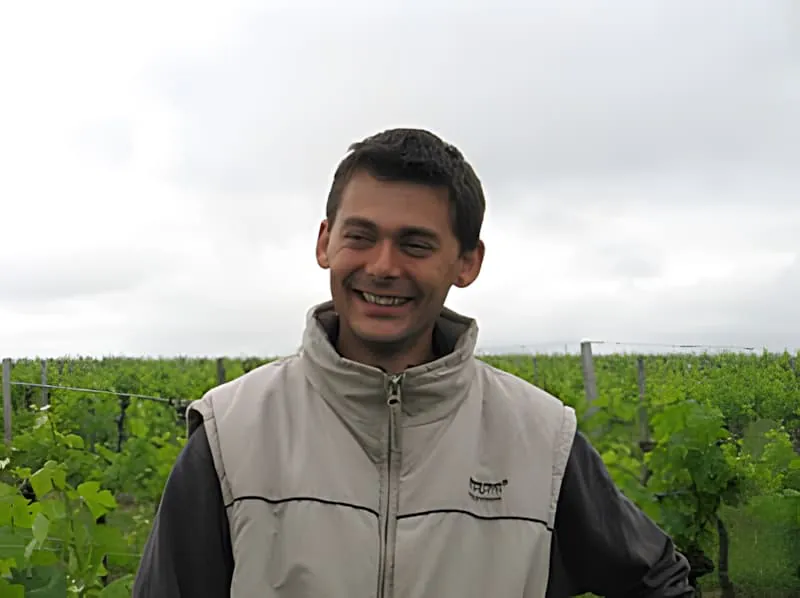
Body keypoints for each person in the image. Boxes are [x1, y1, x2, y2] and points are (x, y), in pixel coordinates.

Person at [132, 128, 694, 597]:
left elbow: (658, 580)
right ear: (325, 242)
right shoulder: (232, 435)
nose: (382, 266)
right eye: (361, 236)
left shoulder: (541, 439)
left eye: (416, 245)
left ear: (467, 261)